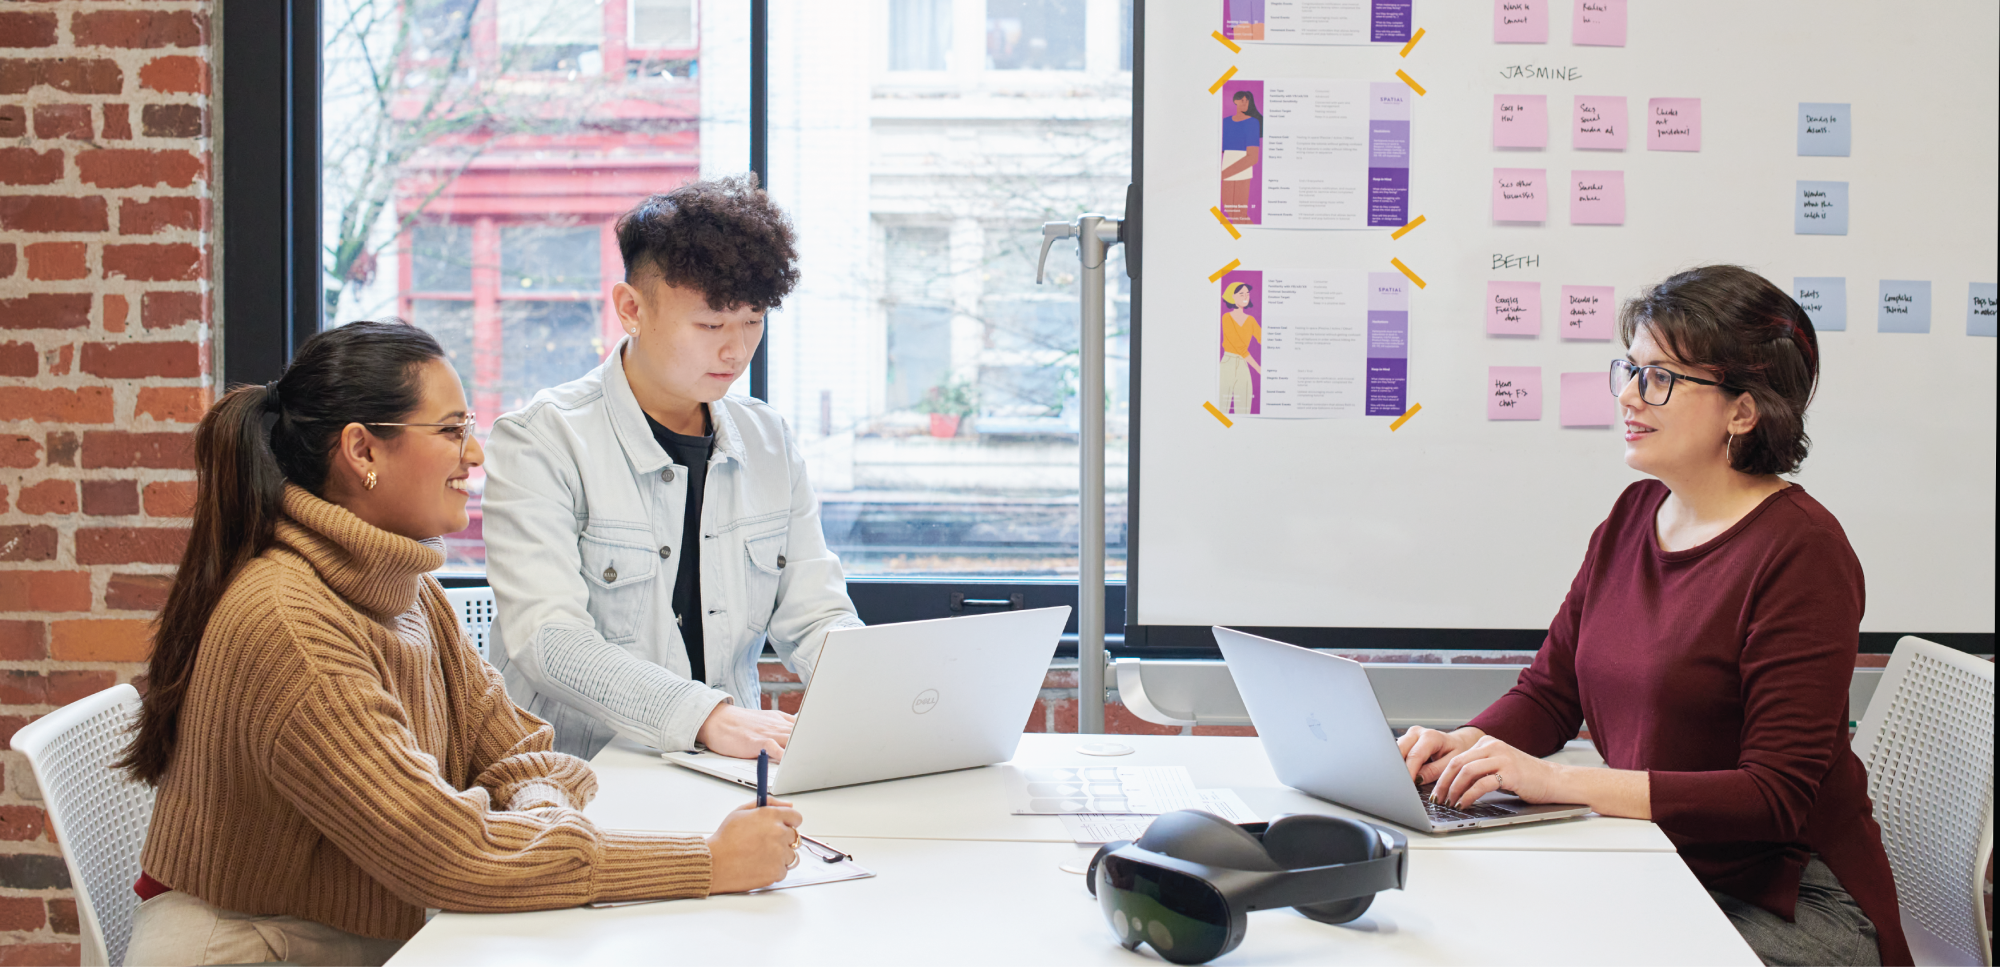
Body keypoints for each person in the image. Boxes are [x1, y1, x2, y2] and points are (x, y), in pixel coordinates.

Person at [120, 322, 803, 966]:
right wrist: (707, 862)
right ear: (362, 451)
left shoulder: (402, 584)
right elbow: (447, 854)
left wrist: (534, 813)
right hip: (262, 949)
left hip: (370, 931)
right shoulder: (290, 623)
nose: (475, 453)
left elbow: (515, 747)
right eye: (452, 430)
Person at [1397, 265, 1911, 967]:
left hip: (1793, 900)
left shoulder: (1803, 552)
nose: (1629, 396)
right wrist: (1459, 751)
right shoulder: (1635, 514)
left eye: (1660, 377)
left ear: (1743, 408)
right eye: (1629, 369)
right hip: (1668, 862)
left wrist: (1558, 782)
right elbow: (1550, 695)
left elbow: (1773, 796)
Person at [481, 176, 863, 762]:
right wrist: (705, 716)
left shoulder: (769, 442)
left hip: (726, 769)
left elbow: (815, 613)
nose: (736, 351)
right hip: (570, 781)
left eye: (753, 320)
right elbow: (549, 640)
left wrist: (878, 702)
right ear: (630, 309)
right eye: (710, 325)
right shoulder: (541, 440)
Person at [1219, 281, 1262, 414]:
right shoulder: (1226, 317)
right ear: (1232, 297)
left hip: (1243, 364)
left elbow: (1264, 340)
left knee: (1244, 407)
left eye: (1247, 294)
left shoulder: (1251, 320)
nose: (1245, 297)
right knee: (1221, 406)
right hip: (1228, 363)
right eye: (1241, 294)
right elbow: (1239, 347)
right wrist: (1258, 368)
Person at [1220, 91, 1263, 222]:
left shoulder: (1252, 123)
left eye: (1247, 100)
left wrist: (1223, 174)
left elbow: (1252, 157)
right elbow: (1222, 150)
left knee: (1238, 215)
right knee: (1231, 212)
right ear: (1235, 101)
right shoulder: (1225, 122)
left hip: (1241, 171)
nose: (1244, 102)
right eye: (1242, 99)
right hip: (1226, 167)